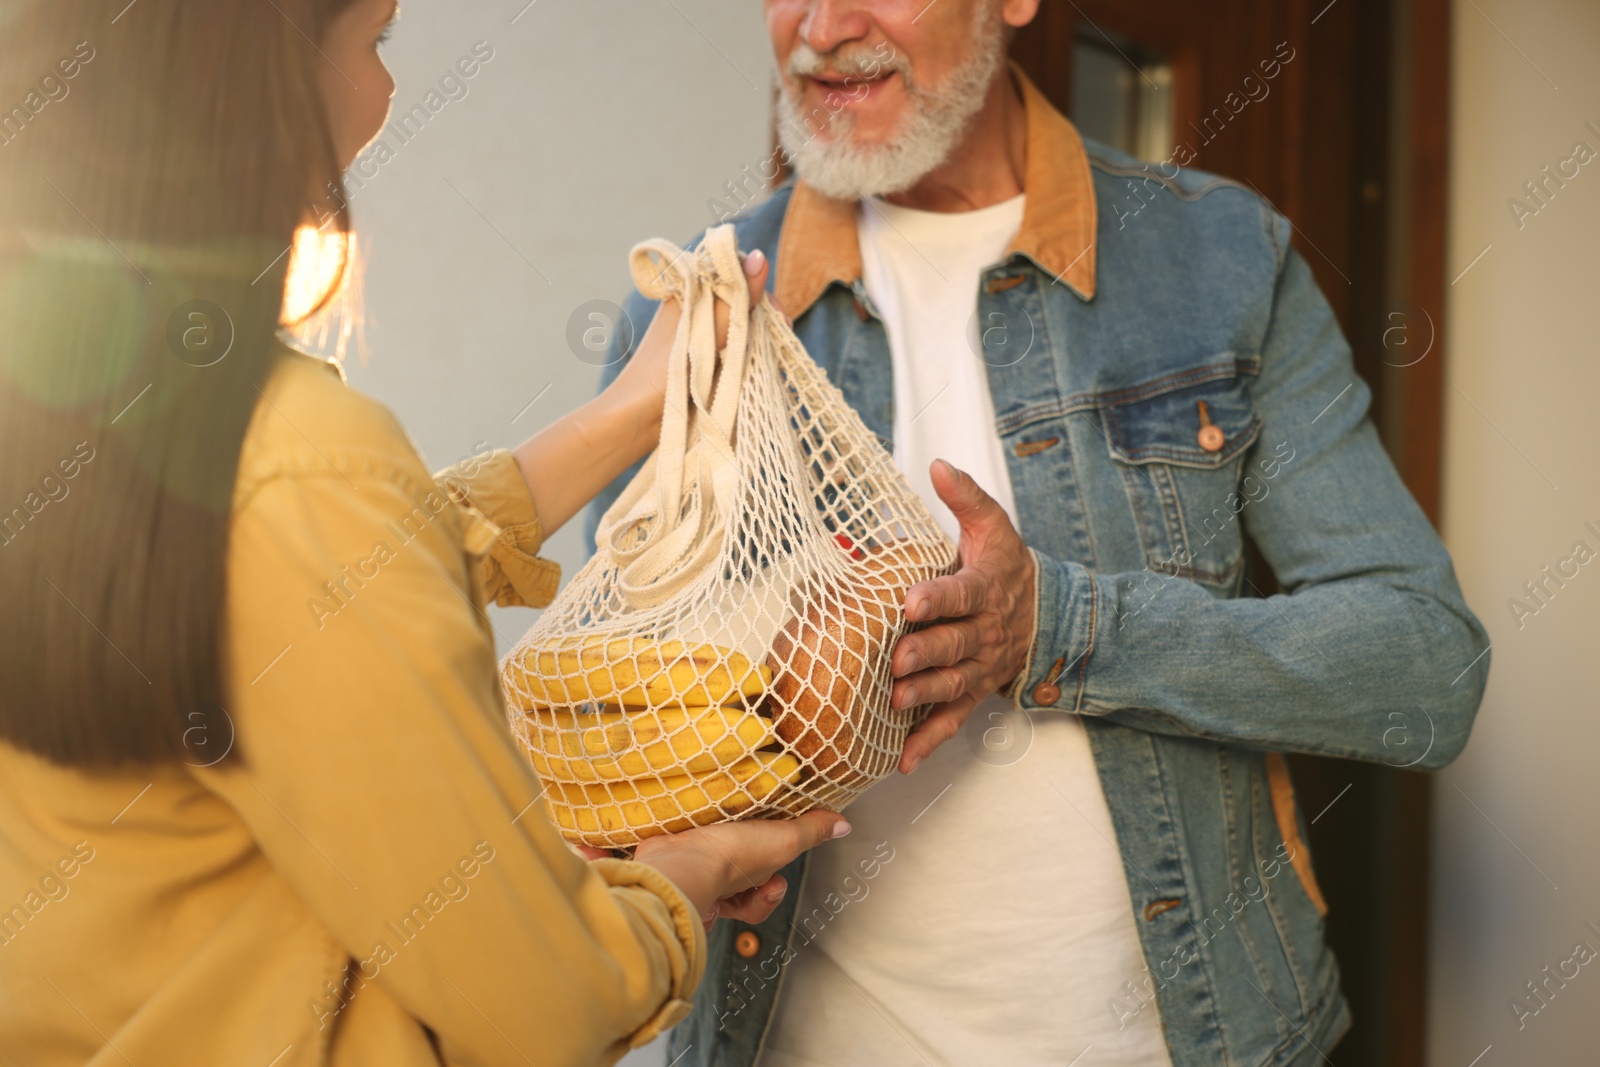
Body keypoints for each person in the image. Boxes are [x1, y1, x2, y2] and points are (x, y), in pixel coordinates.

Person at [589, 1, 1491, 1065]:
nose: (824, 26)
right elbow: (625, 728)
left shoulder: (1221, 262)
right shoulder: (693, 316)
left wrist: (1060, 627)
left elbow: (1424, 670)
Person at [0, 2, 845, 1065]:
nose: (388, 95)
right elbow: (544, 1002)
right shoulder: (303, 461)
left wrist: (628, 409)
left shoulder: (70, 410)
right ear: (262, 79)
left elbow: (281, 572)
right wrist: (669, 890)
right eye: (375, 44)